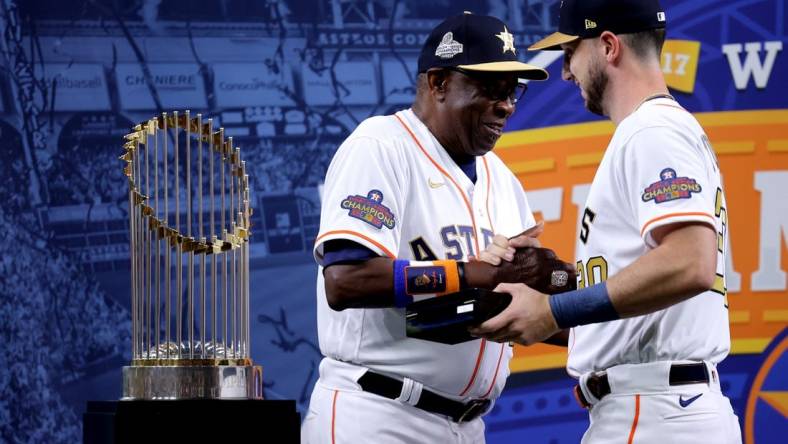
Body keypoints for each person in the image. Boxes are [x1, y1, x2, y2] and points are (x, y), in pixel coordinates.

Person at [470, 0, 742, 442]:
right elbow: (642, 286)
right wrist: (550, 279)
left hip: (653, 412)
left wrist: (550, 311)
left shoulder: (651, 132)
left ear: (609, 46)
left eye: (571, 51)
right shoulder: (659, 129)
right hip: (663, 407)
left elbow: (690, 261)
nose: (565, 71)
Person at [301, 12, 557, 443]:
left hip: (467, 426)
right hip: (379, 415)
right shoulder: (380, 146)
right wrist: (478, 273)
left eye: (514, 90)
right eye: (492, 88)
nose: (507, 104)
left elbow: (514, 302)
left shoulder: (503, 181)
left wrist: (548, 289)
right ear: (438, 83)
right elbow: (346, 280)